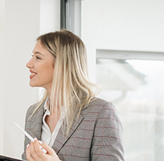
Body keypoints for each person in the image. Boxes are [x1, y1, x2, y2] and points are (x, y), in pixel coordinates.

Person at [22, 30, 124, 161]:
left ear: (62, 64)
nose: (29, 64)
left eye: (38, 57)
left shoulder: (101, 112)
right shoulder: (33, 114)